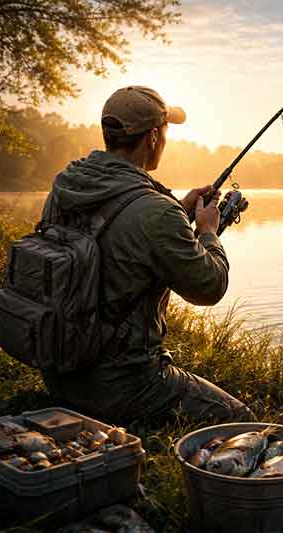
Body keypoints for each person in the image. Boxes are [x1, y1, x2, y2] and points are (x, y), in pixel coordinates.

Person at [39, 86, 255, 425]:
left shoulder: (68, 184)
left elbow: (114, 239)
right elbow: (209, 287)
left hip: (58, 368)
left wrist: (179, 213)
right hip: (122, 385)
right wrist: (209, 231)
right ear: (153, 137)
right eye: (166, 131)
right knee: (241, 417)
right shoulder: (155, 212)